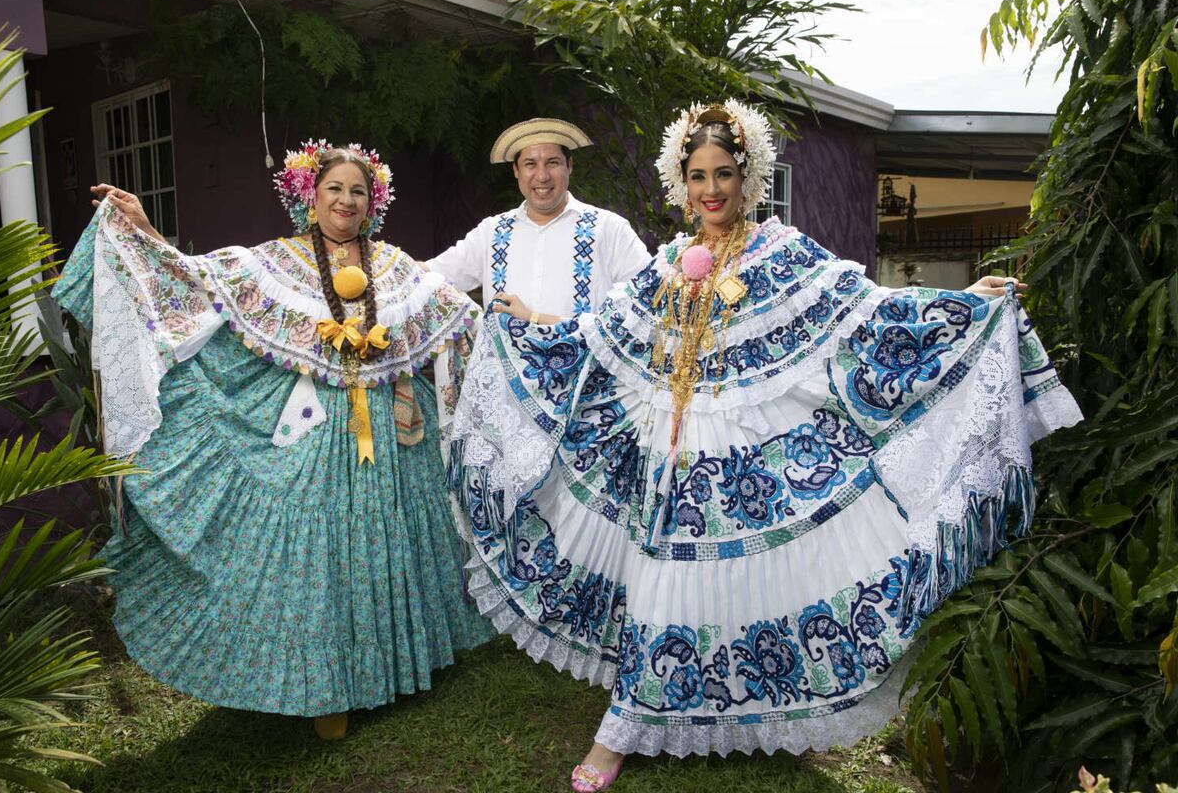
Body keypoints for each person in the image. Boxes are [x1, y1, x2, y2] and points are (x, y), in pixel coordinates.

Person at [445, 101, 1083, 790]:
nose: (710, 190)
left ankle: (649, 720)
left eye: (723, 174)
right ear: (680, 182)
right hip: (669, 452)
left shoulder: (784, 252)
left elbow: (866, 309)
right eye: (697, 176)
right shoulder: (666, 262)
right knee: (669, 573)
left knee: (726, 582)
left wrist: (967, 303)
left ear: (747, 180)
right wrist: (528, 329)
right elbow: (602, 332)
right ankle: (632, 716)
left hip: (745, 456)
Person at [53, 140, 492, 740]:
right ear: (311, 198)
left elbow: (457, 319)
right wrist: (145, 229)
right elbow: (198, 281)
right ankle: (327, 687)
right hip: (316, 432)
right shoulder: (274, 264)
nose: (346, 200)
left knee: (391, 542)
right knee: (321, 555)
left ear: (373, 203)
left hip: (390, 437)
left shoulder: (397, 267)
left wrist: (517, 326)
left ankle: (390, 668)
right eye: (335, 189)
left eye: (358, 191)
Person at [425, 117, 651, 324]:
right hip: (507, 369)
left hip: (586, 368)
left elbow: (649, 297)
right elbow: (432, 277)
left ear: (569, 166)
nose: (542, 176)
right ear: (516, 170)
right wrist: (391, 263)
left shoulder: (609, 229)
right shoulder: (492, 232)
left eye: (552, 163)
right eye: (530, 164)